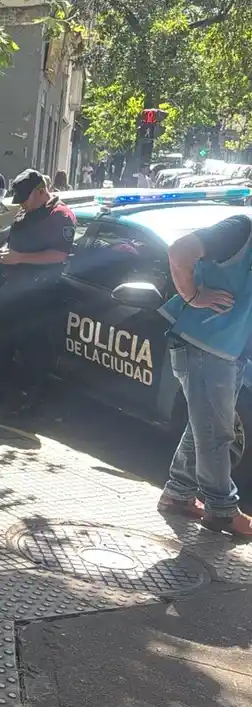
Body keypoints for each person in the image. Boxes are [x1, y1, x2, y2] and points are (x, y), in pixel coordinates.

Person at [156, 214, 252, 536]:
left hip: (227, 351)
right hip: (205, 346)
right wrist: (193, 296)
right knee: (215, 433)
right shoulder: (240, 229)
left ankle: (178, 494)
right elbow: (179, 251)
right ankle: (222, 510)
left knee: (206, 426)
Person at [0, 170, 76, 413]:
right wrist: (7, 254)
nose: (21, 203)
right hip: (15, 288)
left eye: (24, 198)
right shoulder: (28, 210)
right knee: (1, 341)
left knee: (34, 348)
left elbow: (59, 254)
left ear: (41, 191)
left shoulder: (59, 215)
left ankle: (28, 398)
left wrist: (19, 258)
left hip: (40, 292)